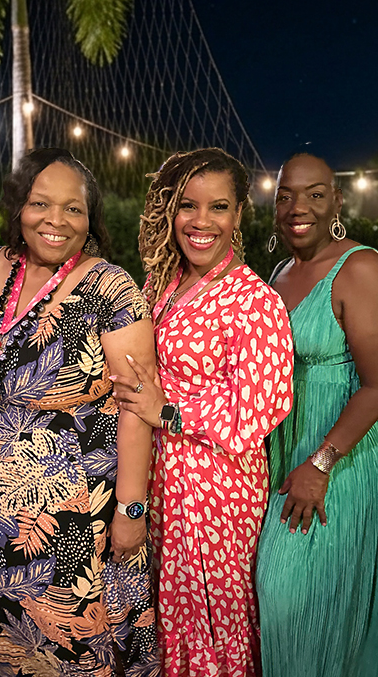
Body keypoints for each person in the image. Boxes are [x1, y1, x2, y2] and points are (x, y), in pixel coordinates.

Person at [0, 148, 160, 677]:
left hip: (70, 527)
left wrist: (131, 514)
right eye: (41, 203)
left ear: (91, 221)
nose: (56, 220)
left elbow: (136, 409)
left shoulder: (111, 290)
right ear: (19, 207)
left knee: (73, 650)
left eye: (73, 209)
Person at [111, 148, 294, 676]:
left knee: (213, 623)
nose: (201, 221)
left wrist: (164, 410)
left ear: (238, 215)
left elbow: (260, 407)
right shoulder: (163, 286)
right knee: (168, 620)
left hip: (216, 493)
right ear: (171, 212)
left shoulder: (253, 300)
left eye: (218, 207)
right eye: (188, 206)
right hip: (163, 482)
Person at [256, 152, 378, 677]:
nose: (298, 207)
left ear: (337, 201)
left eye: (315, 194)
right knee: (290, 605)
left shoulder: (360, 268)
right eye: (285, 195)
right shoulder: (283, 270)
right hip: (290, 453)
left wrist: (321, 463)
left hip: (340, 460)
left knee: (294, 596)